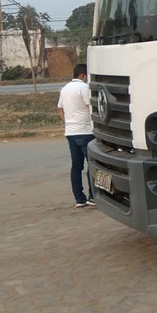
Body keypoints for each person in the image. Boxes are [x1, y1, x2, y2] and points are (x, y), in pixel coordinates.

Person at [57, 63, 95, 208]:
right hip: (85, 131)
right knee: (91, 164)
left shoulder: (65, 89)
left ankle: (79, 198)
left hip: (71, 132)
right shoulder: (83, 88)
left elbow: (59, 108)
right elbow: (90, 105)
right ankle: (92, 196)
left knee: (76, 166)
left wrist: (67, 122)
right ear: (83, 75)